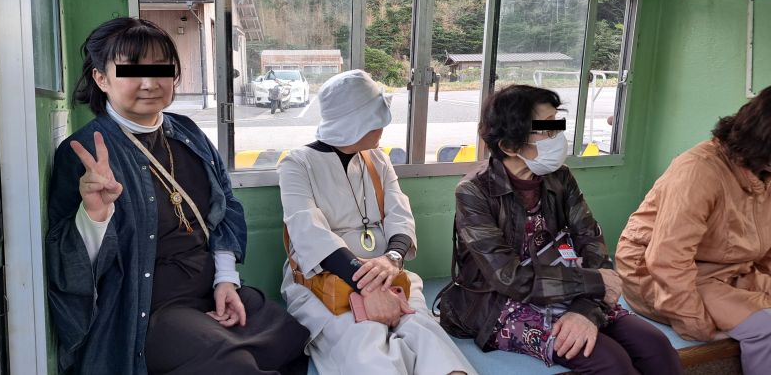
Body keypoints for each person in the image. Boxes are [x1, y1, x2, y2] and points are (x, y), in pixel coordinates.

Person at [45, 17, 309, 375]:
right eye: (131, 70)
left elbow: (226, 206)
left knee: (294, 340)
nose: (150, 83)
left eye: (161, 68)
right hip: (147, 310)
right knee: (234, 364)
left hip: (209, 289)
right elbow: (66, 269)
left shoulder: (187, 132)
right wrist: (93, 216)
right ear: (101, 78)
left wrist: (226, 280)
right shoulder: (83, 154)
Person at [439, 85, 682, 374]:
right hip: (501, 304)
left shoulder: (560, 177)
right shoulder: (473, 192)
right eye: (546, 129)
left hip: (571, 288)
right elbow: (509, 278)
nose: (558, 137)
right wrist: (594, 283)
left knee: (655, 346)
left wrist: (585, 309)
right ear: (509, 146)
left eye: (557, 124)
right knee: (610, 361)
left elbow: (590, 240)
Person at [278, 70, 475, 375]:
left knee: (422, 330)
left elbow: (400, 214)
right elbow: (308, 233)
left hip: (386, 271)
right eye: (377, 116)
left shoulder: (377, 159)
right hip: (324, 279)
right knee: (362, 339)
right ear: (356, 121)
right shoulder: (297, 164)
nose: (384, 124)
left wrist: (392, 259)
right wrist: (368, 286)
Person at [616, 86, 771, 375]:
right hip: (658, 275)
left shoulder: (764, 172)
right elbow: (667, 260)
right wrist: (695, 323)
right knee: (767, 329)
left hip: (729, 271)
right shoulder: (698, 169)